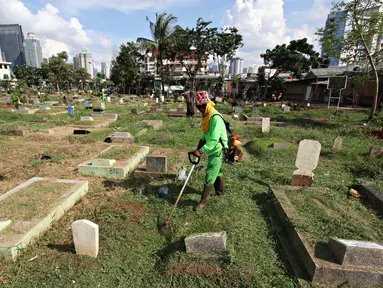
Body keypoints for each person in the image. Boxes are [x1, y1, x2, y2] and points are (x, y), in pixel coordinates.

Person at [191, 91, 228, 211]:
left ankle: (203, 202)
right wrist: (200, 144)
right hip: (213, 148)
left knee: (210, 173)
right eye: (198, 107)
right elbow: (206, 134)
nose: (199, 110)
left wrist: (201, 151)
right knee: (217, 171)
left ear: (207, 105)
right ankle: (220, 191)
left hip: (217, 149)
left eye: (201, 107)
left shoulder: (215, 118)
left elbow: (212, 140)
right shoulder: (207, 115)